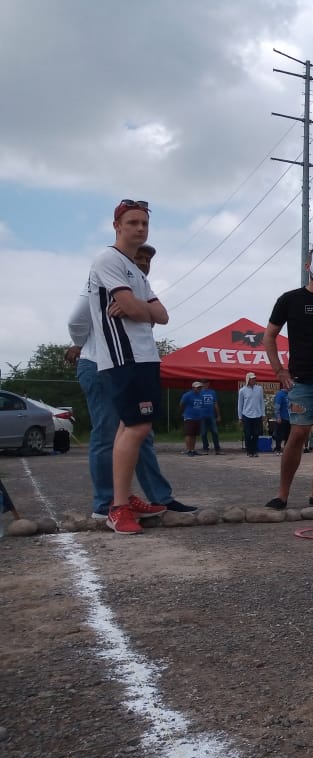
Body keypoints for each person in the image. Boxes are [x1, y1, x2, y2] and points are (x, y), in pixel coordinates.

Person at [66, 240, 196, 525]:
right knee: (108, 433)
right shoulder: (100, 281)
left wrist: (136, 307)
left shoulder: (139, 287)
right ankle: (107, 504)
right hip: (101, 362)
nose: (143, 264)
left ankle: (158, 497)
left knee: (141, 432)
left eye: (148, 260)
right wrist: (82, 344)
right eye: (138, 258)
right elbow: (77, 319)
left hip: (134, 361)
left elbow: (160, 316)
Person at [83, 201, 171, 534]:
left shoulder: (132, 267)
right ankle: (117, 507)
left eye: (144, 223)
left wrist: (139, 309)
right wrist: (139, 308)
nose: (139, 228)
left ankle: (123, 498)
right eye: (132, 222)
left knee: (132, 427)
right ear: (117, 225)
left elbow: (161, 314)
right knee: (134, 428)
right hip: (124, 356)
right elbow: (141, 308)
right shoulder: (108, 260)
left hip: (144, 356)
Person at [261, 269, 313, 509]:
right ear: (308, 266)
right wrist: (279, 370)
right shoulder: (290, 299)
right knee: (299, 433)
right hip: (301, 379)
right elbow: (269, 336)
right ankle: (282, 494)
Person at [238, 372, 265, 457]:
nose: (254, 380)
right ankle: (249, 451)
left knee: (256, 433)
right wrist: (240, 416)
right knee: (248, 434)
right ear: (248, 380)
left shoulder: (259, 389)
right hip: (246, 414)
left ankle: (255, 450)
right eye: (252, 379)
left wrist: (263, 413)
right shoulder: (242, 390)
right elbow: (240, 404)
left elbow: (262, 402)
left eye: (254, 378)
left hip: (257, 414)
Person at [179, 381, 205, 455]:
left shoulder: (201, 395)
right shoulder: (187, 395)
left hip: (198, 417)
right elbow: (181, 404)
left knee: (194, 435)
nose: (199, 389)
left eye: (200, 387)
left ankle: (193, 450)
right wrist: (184, 412)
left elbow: (201, 406)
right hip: (189, 417)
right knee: (189, 434)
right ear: (193, 388)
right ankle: (188, 450)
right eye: (197, 387)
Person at [199, 379, 223, 454]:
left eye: (206, 383)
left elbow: (215, 404)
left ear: (208, 384)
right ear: (201, 384)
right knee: (203, 433)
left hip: (211, 415)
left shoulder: (212, 392)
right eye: (203, 383)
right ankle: (205, 448)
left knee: (215, 432)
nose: (205, 385)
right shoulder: (199, 393)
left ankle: (217, 449)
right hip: (202, 415)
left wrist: (218, 415)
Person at [272, 385, 290, 453]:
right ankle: (278, 448)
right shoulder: (280, 394)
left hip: (290, 418)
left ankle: (287, 449)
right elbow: (277, 406)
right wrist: (278, 416)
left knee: (288, 435)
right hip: (282, 418)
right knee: (279, 434)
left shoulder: (290, 394)